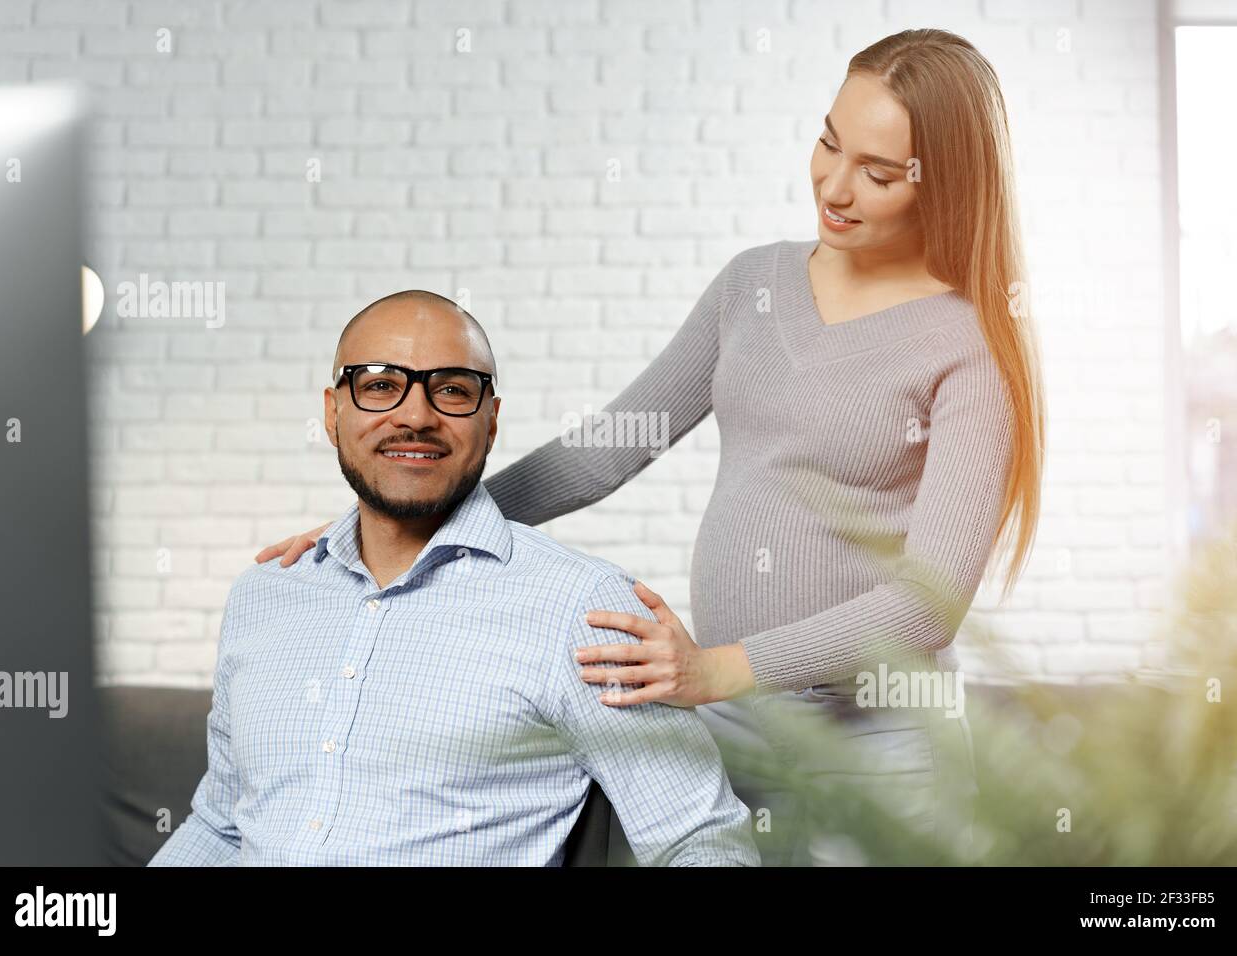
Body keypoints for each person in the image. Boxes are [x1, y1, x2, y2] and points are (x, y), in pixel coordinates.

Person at [258, 28, 1046, 865]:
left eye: (879, 173)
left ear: (942, 182)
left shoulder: (965, 346)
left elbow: (927, 605)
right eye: (828, 142)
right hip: (730, 730)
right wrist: (392, 527)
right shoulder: (755, 286)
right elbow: (606, 451)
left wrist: (715, 670)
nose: (835, 185)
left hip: (883, 751)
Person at [153, 290, 760, 866]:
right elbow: (221, 825)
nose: (415, 416)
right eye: (381, 385)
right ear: (333, 413)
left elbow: (700, 840)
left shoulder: (580, 606)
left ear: (490, 422)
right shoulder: (266, 593)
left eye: (451, 389)